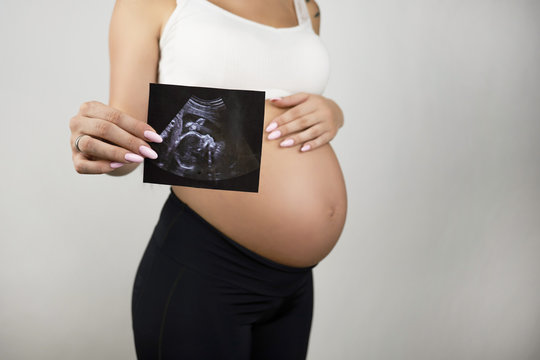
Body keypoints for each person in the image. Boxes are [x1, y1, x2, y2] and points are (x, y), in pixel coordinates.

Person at [68, 0, 348, 358]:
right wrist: (98, 142)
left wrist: (334, 113)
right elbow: (129, 140)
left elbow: (291, 103)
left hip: (294, 284)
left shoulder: (305, 7)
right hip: (205, 269)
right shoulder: (152, 3)